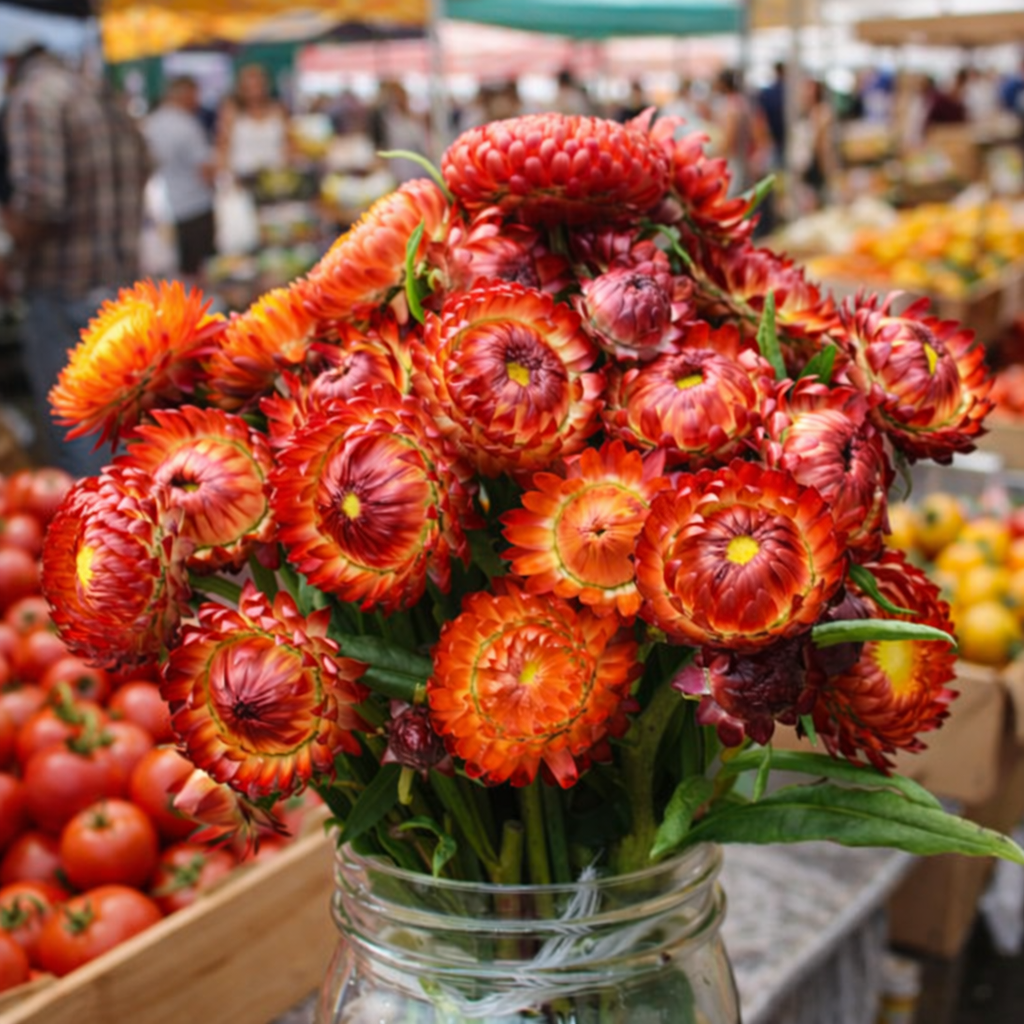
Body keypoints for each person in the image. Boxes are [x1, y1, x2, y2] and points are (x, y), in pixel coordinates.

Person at [3, 44, 148, 477]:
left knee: (82, 443)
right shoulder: (97, 93)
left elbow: (40, 201)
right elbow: (145, 164)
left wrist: (7, 251)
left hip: (62, 291)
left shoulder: (34, 98)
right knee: (122, 436)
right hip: (119, 289)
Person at [143, 76, 215, 282]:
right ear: (186, 95)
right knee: (198, 272)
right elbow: (205, 168)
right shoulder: (187, 125)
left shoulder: (151, 124)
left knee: (175, 272)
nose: (198, 102)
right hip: (194, 205)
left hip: (164, 209)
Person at [215, 64, 289, 184]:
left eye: (258, 85)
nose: (255, 91)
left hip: (274, 178)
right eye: (249, 87)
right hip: (241, 177)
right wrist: (225, 177)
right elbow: (222, 147)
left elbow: (287, 143)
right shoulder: (231, 111)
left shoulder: (279, 110)